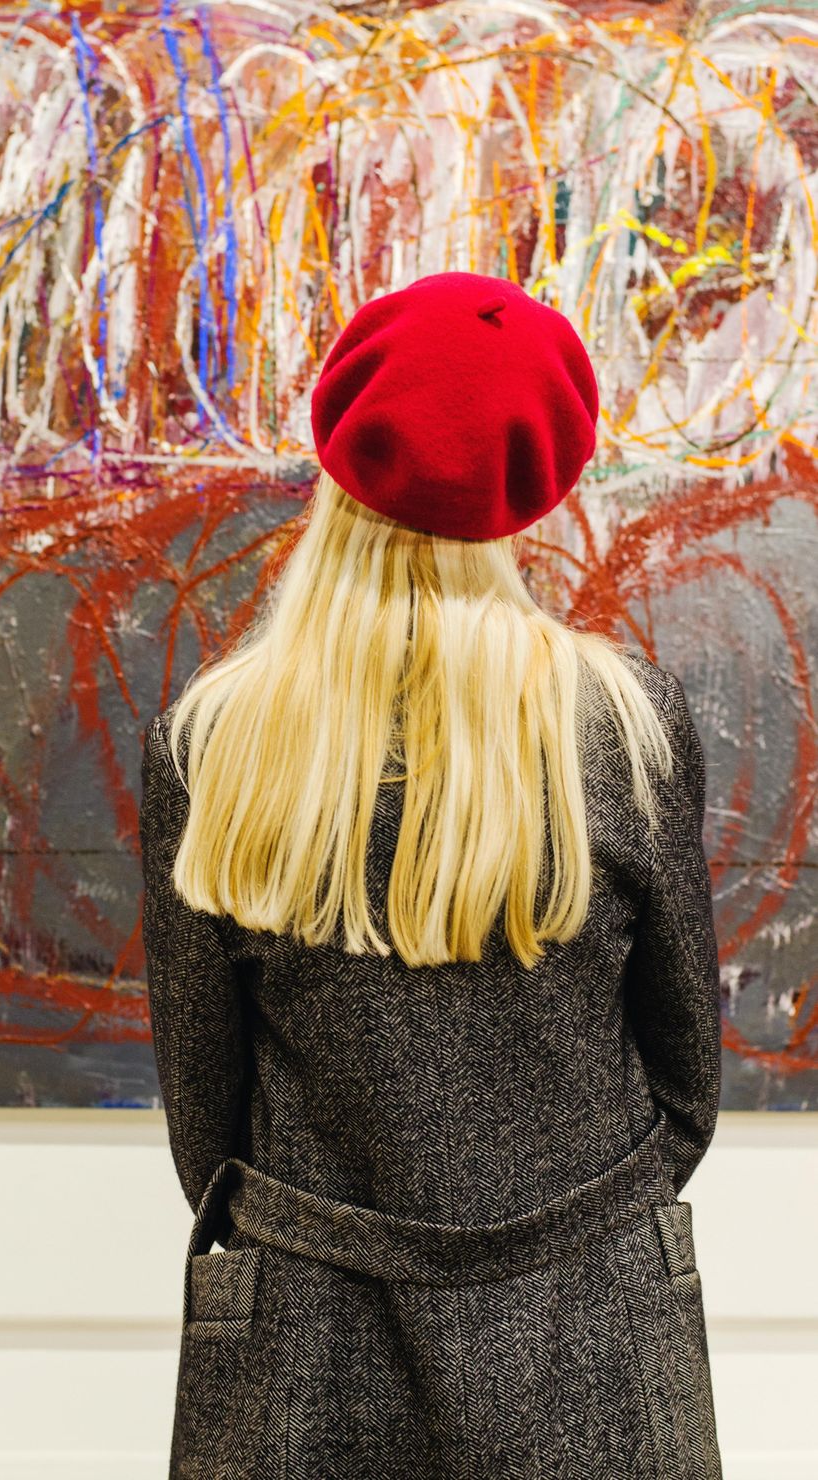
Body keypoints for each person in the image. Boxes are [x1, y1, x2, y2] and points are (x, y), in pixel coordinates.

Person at [139, 271, 723, 1479]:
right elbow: (684, 1086)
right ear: (536, 481)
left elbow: (207, 1127)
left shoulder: (211, 745)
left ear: (339, 441)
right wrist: (561, 1225)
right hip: (592, 1333)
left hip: (303, 1339)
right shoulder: (626, 728)